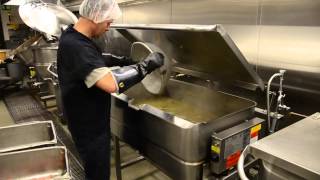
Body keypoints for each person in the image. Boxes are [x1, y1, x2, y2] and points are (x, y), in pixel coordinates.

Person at [57, 0, 164, 179]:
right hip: (89, 126)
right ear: (96, 17)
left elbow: (95, 58)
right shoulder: (77, 46)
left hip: (86, 118)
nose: (109, 27)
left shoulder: (73, 35)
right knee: (98, 172)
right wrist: (146, 65)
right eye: (108, 22)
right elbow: (111, 84)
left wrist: (124, 61)